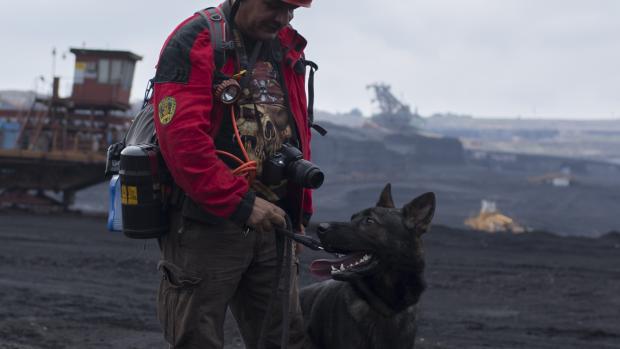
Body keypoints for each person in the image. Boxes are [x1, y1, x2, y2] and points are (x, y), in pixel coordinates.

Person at [151, 0, 314, 348]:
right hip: (208, 223)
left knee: (284, 338)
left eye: (292, 11)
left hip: (275, 222)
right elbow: (182, 142)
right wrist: (239, 202)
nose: (283, 18)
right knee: (197, 338)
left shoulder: (285, 46)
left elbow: (298, 128)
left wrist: (301, 210)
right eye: (275, 6)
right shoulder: (197, 40)